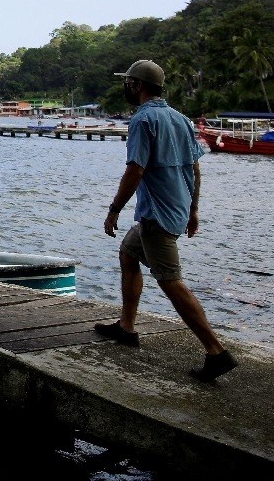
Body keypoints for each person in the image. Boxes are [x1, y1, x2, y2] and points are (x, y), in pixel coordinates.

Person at [98, 59, 238, 382]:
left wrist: (114, 208)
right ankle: (127, 327)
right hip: (173, 210)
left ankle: (216, 351)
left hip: (157, 216)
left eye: (129, 83)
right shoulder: (181, 120)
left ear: (137, 86)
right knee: (128, 253)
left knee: (170, 281)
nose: (127, 88)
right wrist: (193, 210)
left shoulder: (142, 120)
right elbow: (195, 169)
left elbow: (135, 170)